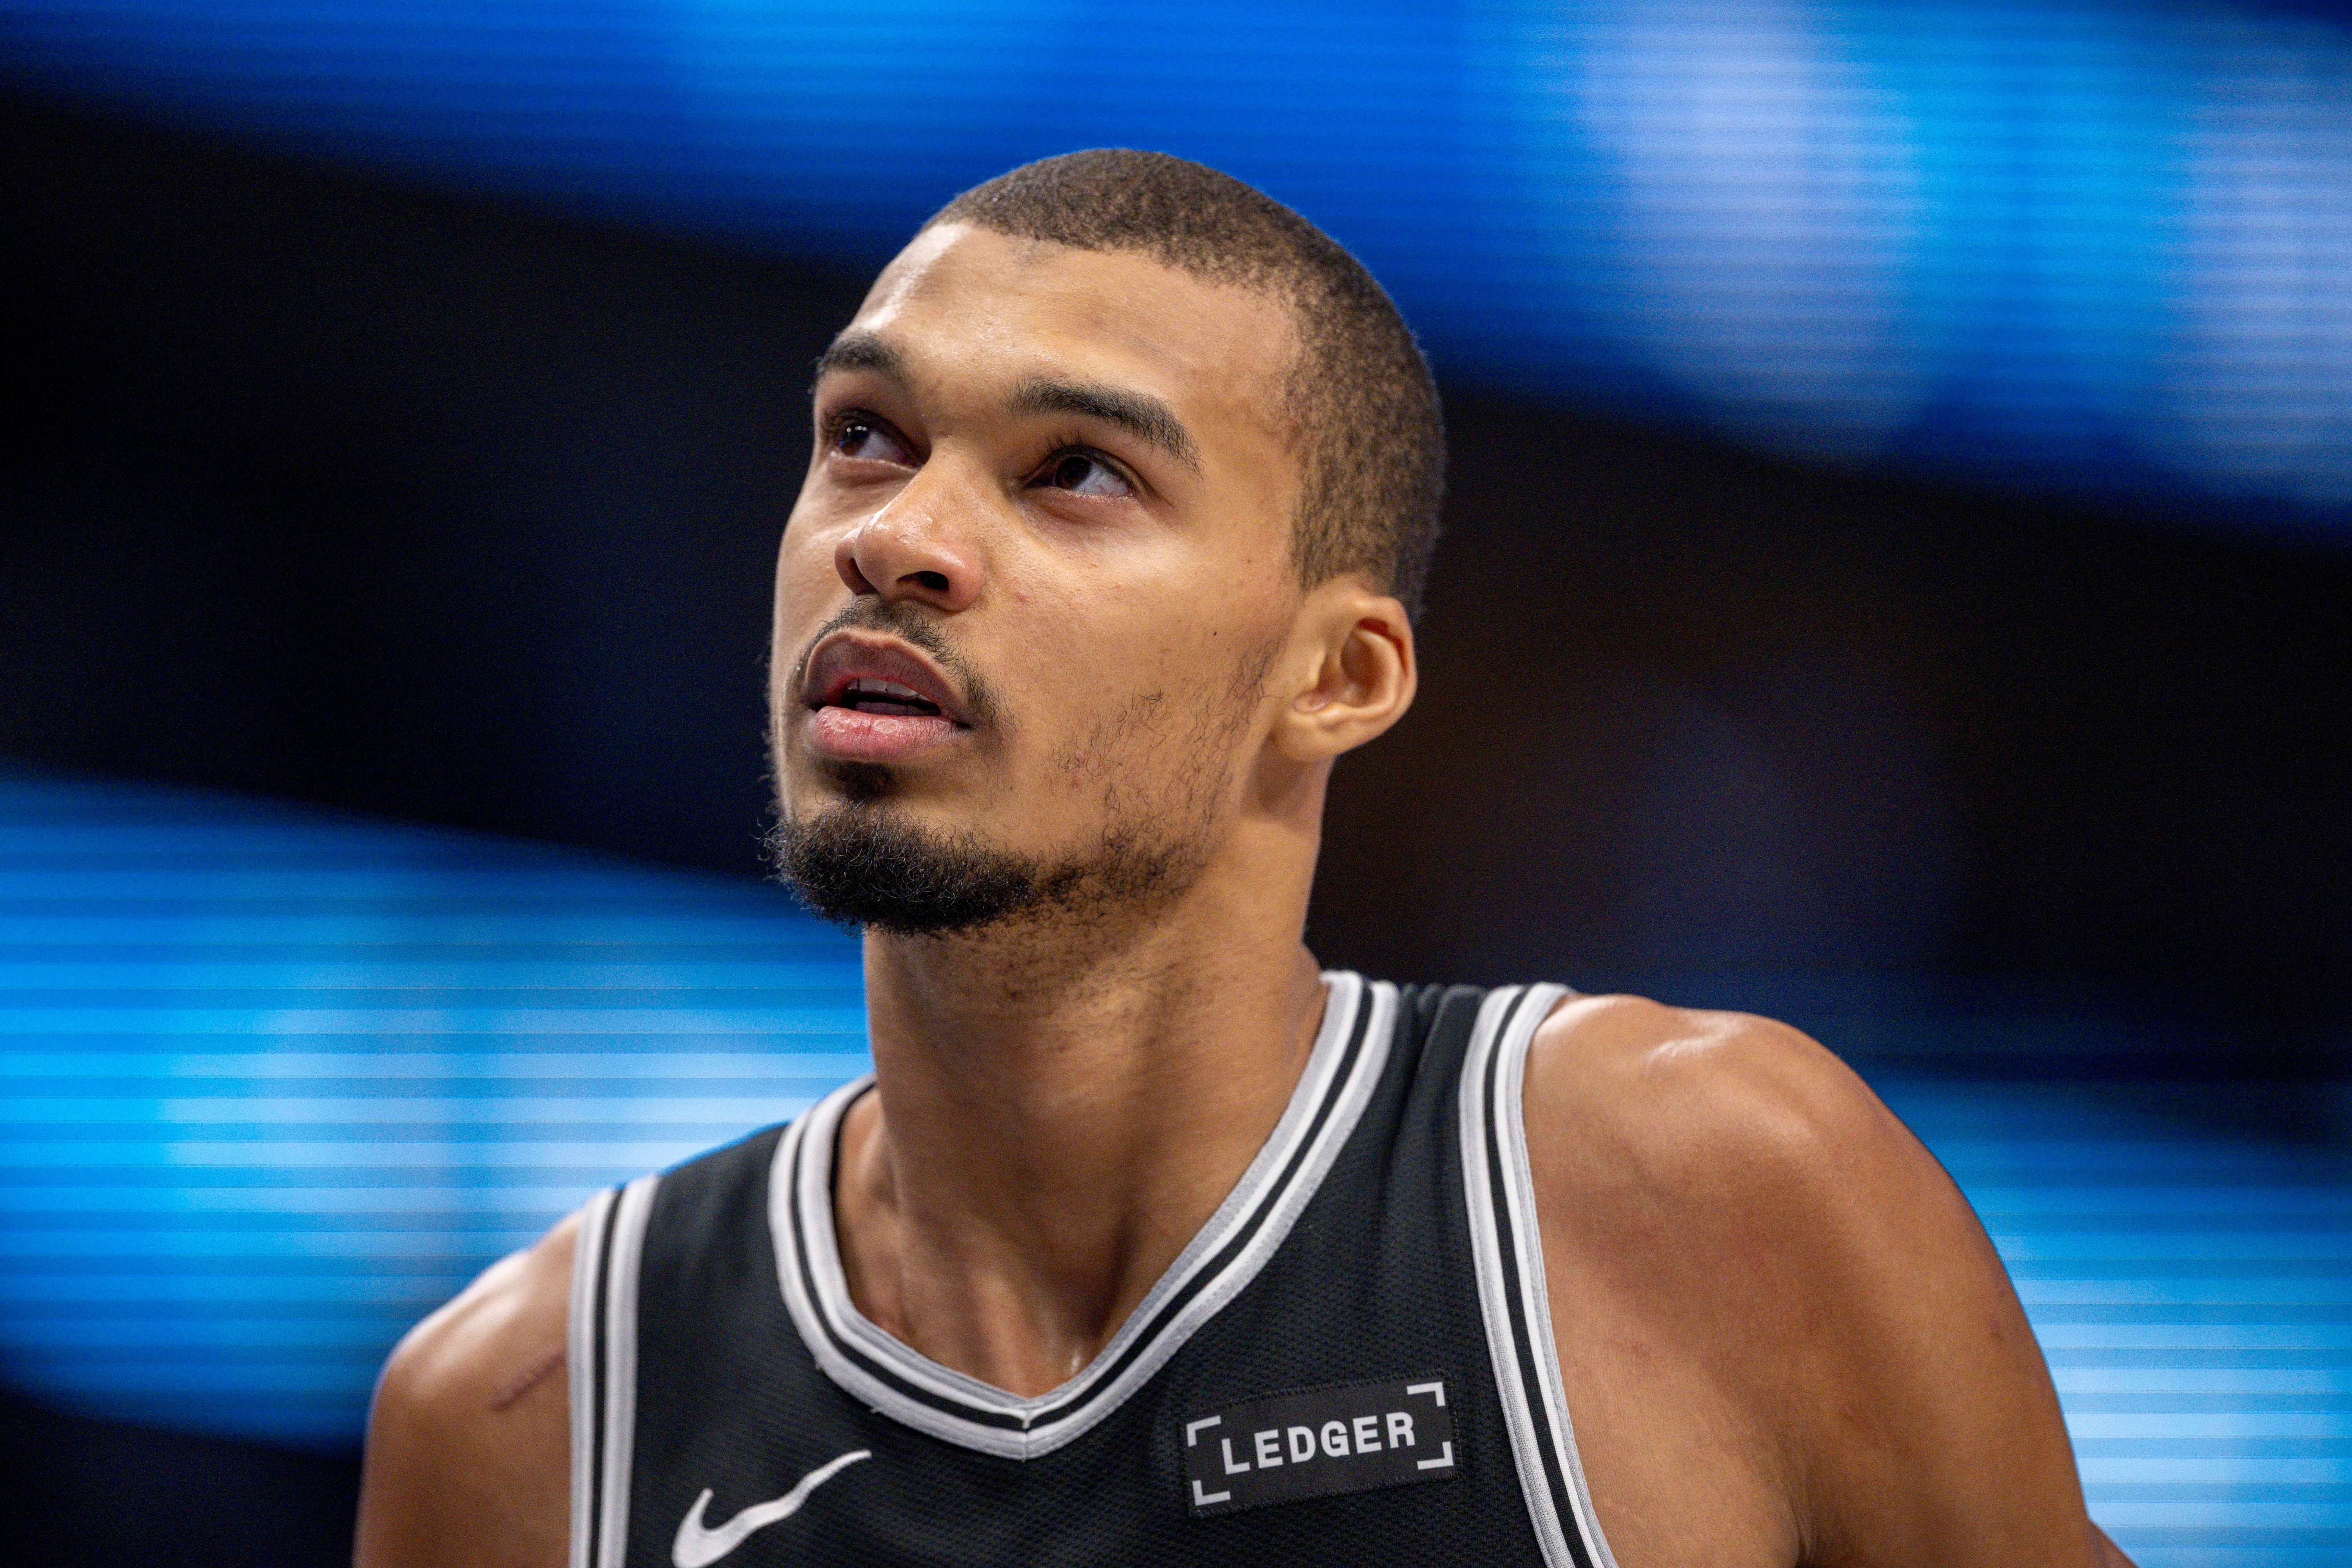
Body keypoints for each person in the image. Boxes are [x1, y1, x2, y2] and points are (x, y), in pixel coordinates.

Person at [355, 149, 2132, 1568]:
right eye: (867, 437)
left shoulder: (1704, 1198)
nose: (897, 537)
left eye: (1075, 472)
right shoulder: (528, 1420)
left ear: (1338, 676)